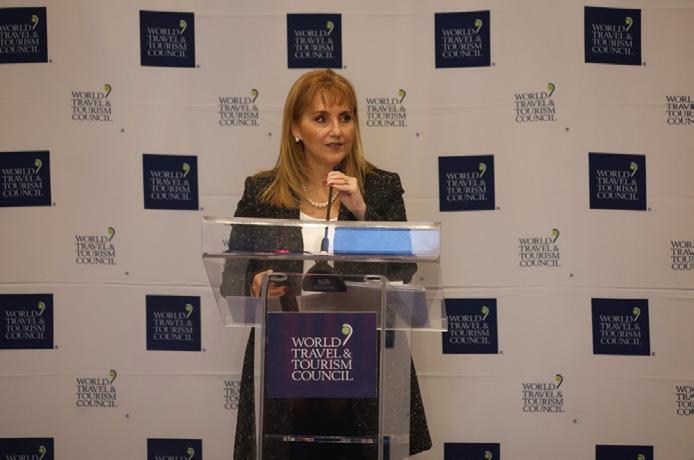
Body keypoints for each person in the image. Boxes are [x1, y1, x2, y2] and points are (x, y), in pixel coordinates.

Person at [229, 69, 431, 459]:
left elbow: (403, 270)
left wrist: (362, 215)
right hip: (287, 366)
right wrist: (255, 284)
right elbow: (232, 277)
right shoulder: (262, 193)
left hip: (364, 363)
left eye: (345, 117)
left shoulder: (381, 187)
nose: (337, 130)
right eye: (321, 118)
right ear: (296, 129)